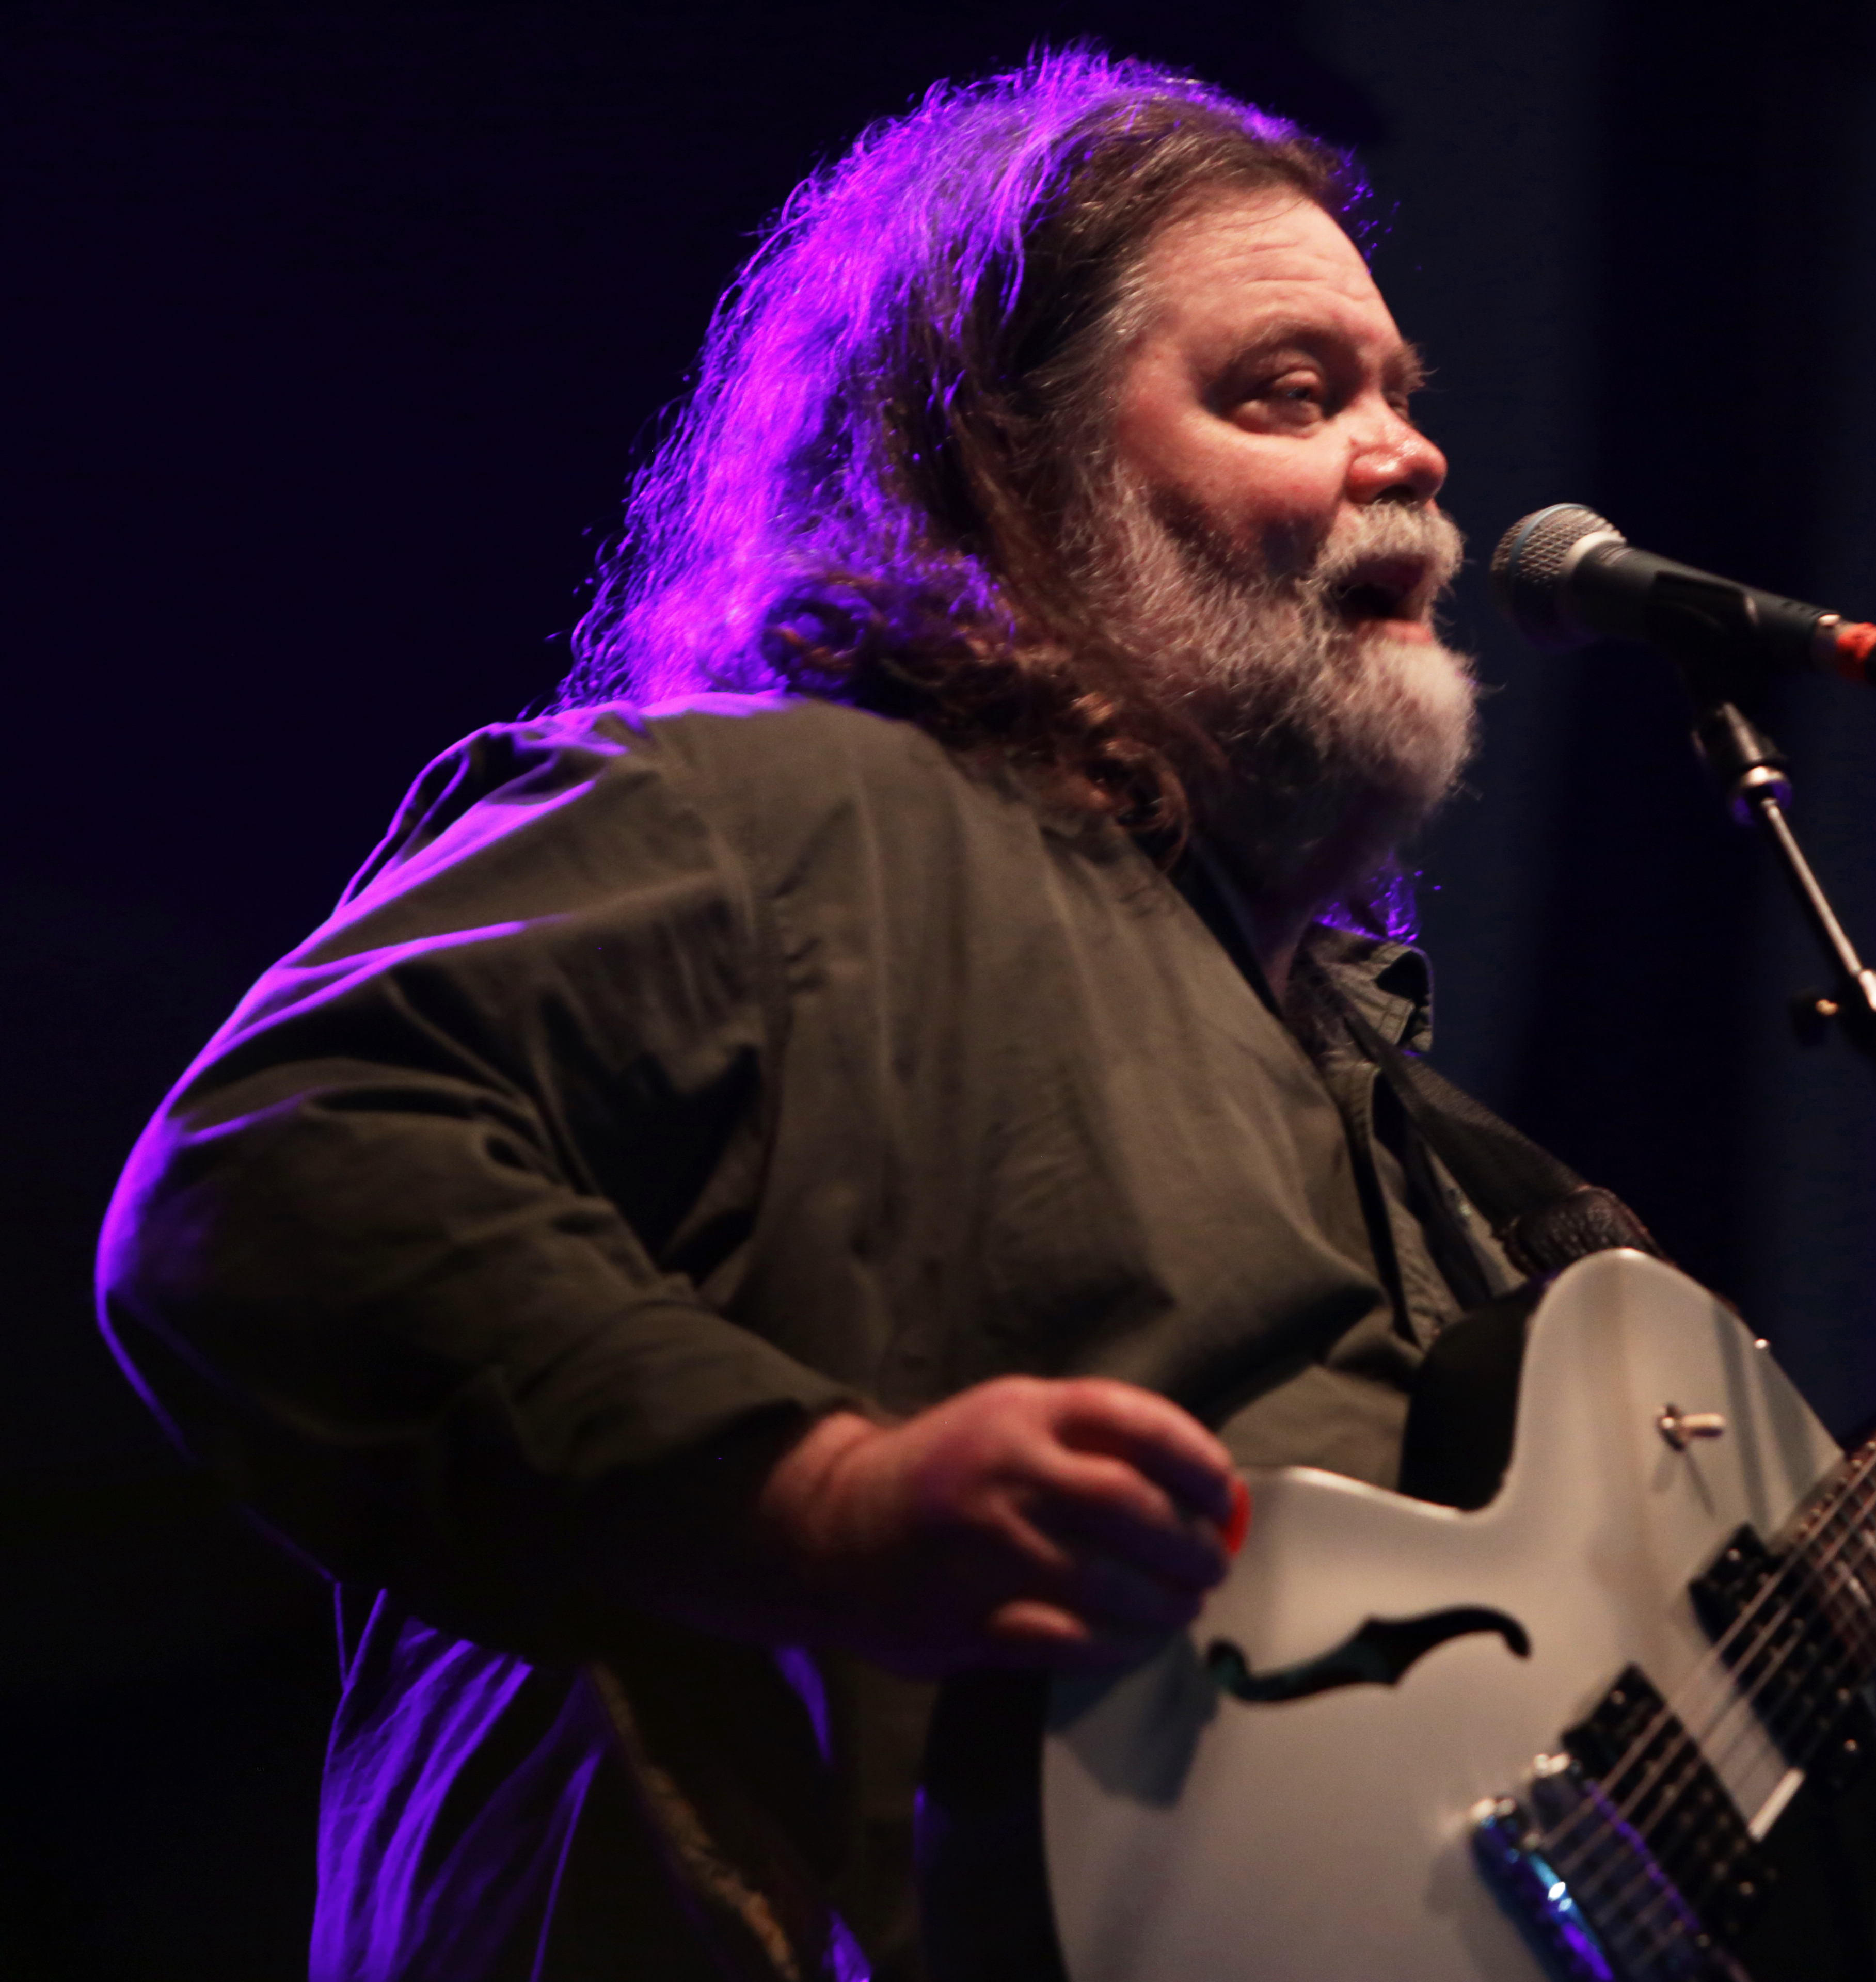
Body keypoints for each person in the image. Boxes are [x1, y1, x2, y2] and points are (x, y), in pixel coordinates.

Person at [96, 51, 1644, 1982]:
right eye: (1290, 393)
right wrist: (819, 1499)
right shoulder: (775, 812)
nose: (1406, 453)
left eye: (1403, 398)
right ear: (1014, 468)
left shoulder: (1426, 1144)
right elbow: (274, 1172)